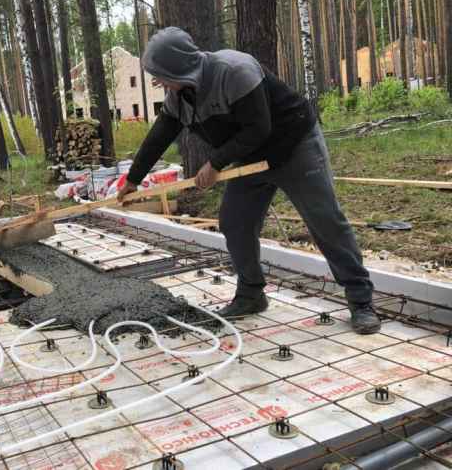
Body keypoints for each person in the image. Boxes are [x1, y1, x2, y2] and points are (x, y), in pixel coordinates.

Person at [117, 27, 380, 335]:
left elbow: (258, 127)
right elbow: (159, 136)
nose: (158, 82)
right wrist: (134, 179)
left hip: (294, 146)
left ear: (178, 66)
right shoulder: (179, 96)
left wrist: (215, 163)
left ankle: (361, 301)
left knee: (325, 220)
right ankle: (251, 293)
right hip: (250, 156)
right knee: (234, 221)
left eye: (159, 75)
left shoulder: (234, 70)